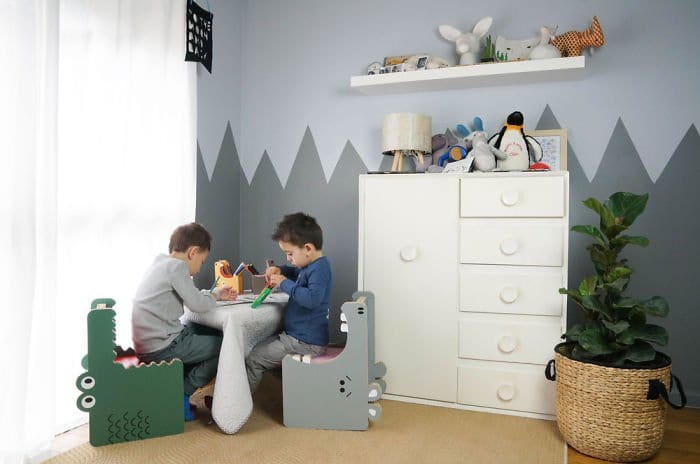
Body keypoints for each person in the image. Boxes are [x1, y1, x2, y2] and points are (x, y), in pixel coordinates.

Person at [132, 222, 237, 420]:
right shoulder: (177, 268)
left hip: (148, 344)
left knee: (198, 331)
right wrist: (215, 295)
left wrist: (214, 293)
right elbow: (198, 305)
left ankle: (179, 387)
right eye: (202, 262)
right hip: (163, 346)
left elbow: (191, 295)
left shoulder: (160, 264)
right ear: (193, 253)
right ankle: (183, 392)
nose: (198, 270)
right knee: (228, 346)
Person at [246, 212, 332, 393]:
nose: (288, 258)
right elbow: (295, 272)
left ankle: (239, 404)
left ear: (307, 248)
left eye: (290, 254)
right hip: (297, 338)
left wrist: (284, 283)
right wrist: (280, 270)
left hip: (306, 343)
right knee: (254, 347)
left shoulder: (319, 269)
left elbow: (312, 299)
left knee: (254, 358)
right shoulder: (309, 266)